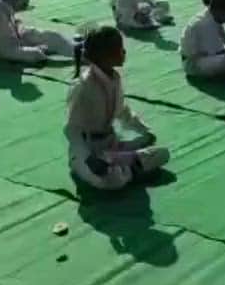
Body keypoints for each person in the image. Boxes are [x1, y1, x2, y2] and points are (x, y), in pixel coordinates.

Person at [66, 26, 170, 191]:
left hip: (111, 145)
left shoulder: (114, 78)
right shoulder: (83, 87)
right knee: (112, 181)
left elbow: (122, 111)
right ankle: (130, 168)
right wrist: (87, 158)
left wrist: (144, 131)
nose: (124, 52)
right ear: (105, 55)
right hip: (88, 152)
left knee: (163, 153)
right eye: (120, 49)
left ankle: (125, 165)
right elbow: (72, 130)